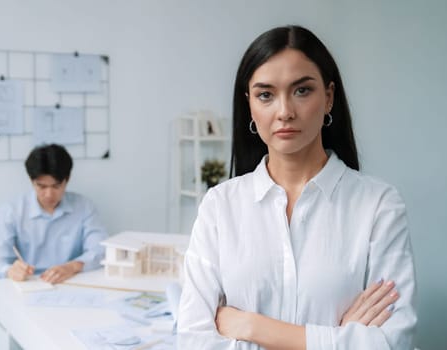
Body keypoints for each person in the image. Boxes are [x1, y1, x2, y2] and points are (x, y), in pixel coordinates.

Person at [177, 25, 417, 349]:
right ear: (249, 104)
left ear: (328, 97)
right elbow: (194, 341)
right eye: (266, 95)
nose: (285, 111)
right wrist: (338, 338)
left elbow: (393, 343)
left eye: (302, 91)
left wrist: (252, 326)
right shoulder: (220, 206)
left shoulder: (378, 206)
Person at [0, 144, 108, 284]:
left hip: (72, 281)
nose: (49, 195)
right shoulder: (11, 211)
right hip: (29, 284)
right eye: (41, 186)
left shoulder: (84, 207)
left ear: (66, 180)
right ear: (32, 181)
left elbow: (101, 251)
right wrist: (9, 270)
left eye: (56, 186)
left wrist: (72, 267)